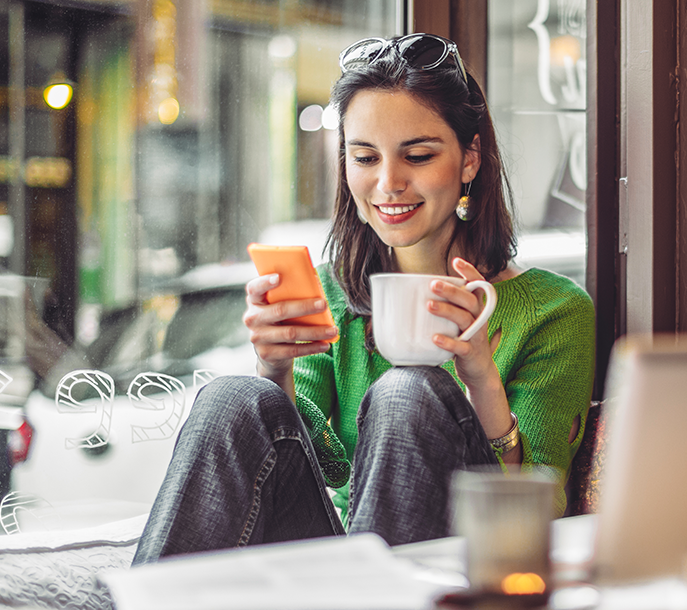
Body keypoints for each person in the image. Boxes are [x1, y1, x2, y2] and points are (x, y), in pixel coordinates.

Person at [132, 33, 595, 564]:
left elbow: (534, 512)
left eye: (417, 155)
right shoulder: (332, 290)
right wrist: (274, 370)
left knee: (408, 390)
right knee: (233, 396)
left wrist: (481, 378)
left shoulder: (554, 311)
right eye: (365, 157)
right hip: (340, 562)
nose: (388, 183)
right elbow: (323, 466)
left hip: (457, 563)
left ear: (470, 159)